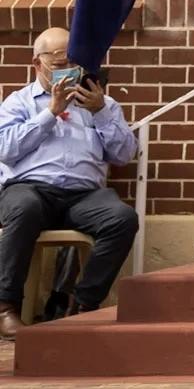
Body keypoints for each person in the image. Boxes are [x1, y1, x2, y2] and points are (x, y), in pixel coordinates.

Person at [0, 28, 138, 336]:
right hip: (31, 190)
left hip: (84, 196)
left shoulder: (101, 103)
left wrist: (101, 113)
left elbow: (124, 155)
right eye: (60, 63)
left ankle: (83, 306)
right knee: (24, 208)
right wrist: (50, 112)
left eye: (74, 62)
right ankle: (6, 307)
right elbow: (5, 149)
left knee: (122, 218)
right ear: (38, 63)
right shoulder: (19, 102)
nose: (70, 69)